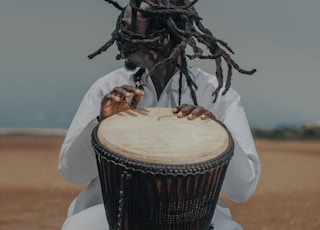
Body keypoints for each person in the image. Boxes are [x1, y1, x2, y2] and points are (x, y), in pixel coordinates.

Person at [59, 0, 260, 229]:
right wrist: (101, 124)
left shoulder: (216, 94)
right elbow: (71, 172)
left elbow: (243, 189)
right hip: (113, 212)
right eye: (121, 26)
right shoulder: (108, 88)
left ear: (163, 39)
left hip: (193, 216)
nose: (120, 36)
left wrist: (218, 134)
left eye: (130, 27)